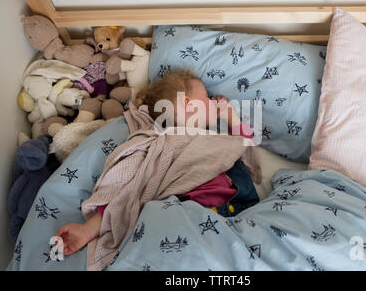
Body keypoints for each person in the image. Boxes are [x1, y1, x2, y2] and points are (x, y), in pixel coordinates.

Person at [55, 70, 259, 256]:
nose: (213, 101)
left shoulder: (214, 139)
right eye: (206, 97)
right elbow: (128, 191)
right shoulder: (155, 144)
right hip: (182, 215)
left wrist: (231, 117)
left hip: (231, 213)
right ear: (188, 104)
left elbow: (245, 149)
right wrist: (87, 230)